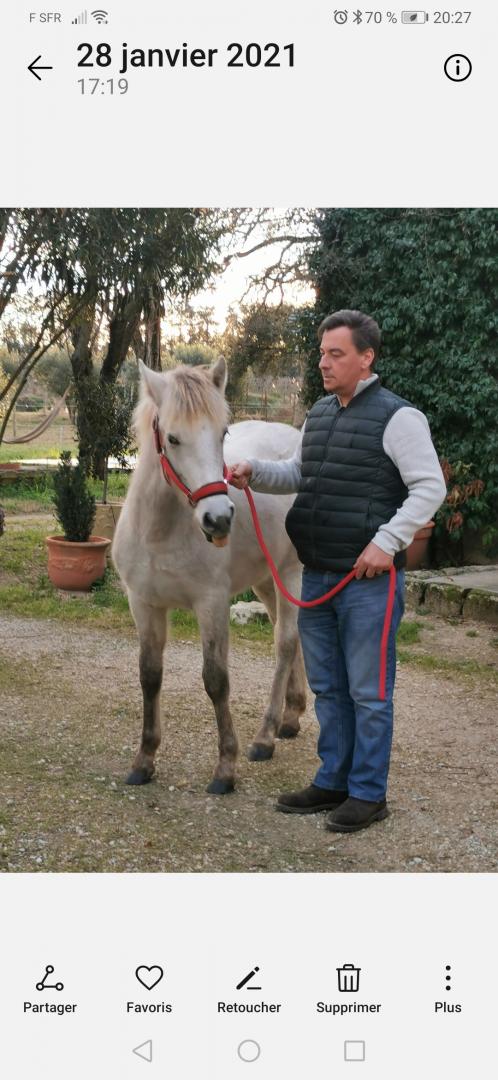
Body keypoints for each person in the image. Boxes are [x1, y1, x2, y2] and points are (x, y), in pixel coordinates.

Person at [230, 310, 446, 833]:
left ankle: (368, 795)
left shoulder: (399, 418)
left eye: (336, 354)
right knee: (328, 688)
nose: (324, 362)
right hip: (319, 574)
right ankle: (333, 780)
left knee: (368, 693)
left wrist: (385, 542)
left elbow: (430, 487)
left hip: (369, 582)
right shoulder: (321, 414)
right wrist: (254, 472)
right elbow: (302, 474)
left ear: (366, 358)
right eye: (322, 353)